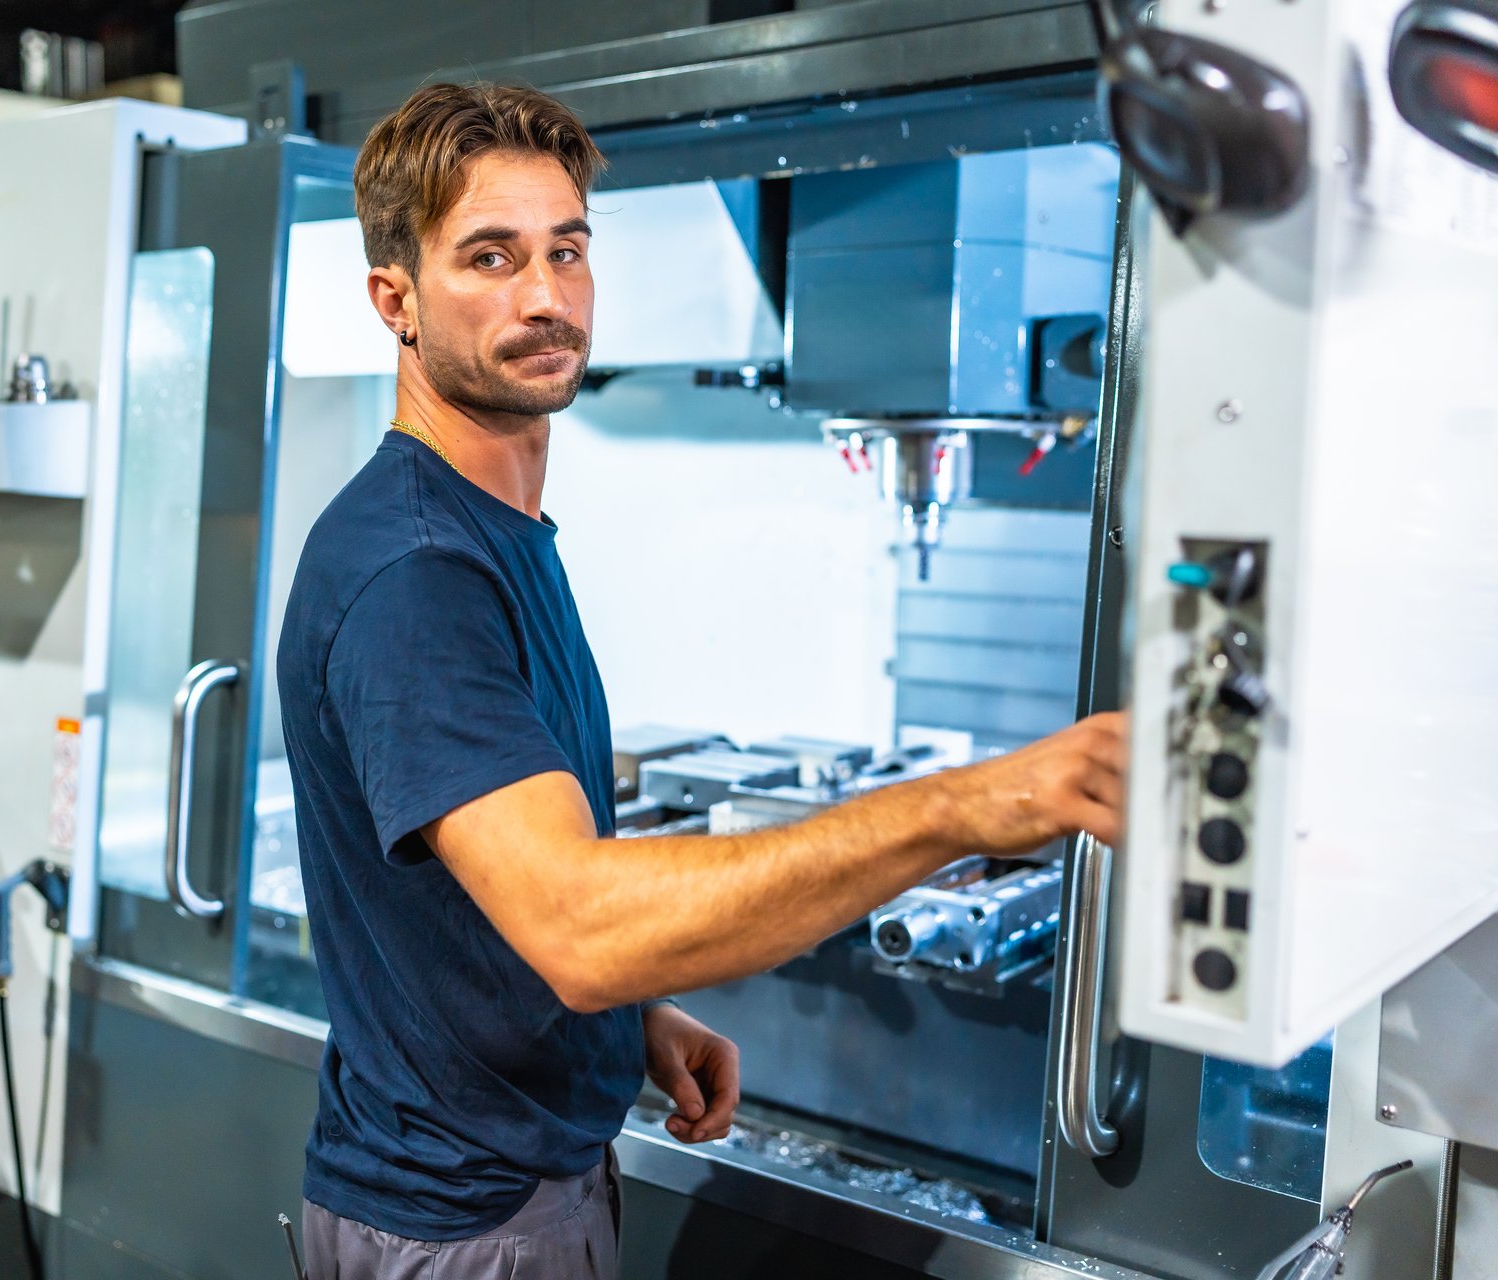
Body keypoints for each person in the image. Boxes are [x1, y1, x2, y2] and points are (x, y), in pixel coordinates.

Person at [275, 81, 1126, 1280]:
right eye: (490, 257)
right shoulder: (417, 572)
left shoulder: (490, 530)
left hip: (500, 1174)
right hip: (464, 1222)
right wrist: (962, 806)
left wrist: (622, 1030)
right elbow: (576, 921)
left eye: (566, 251)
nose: (543, 295)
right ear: (395, 301)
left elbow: (493, 926)